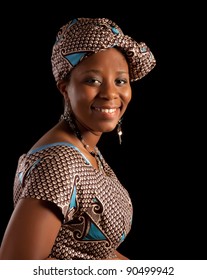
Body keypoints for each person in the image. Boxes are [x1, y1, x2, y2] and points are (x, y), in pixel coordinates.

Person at [0, 17, 156, 260]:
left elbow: (92, 253)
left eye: (120, 81)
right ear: (65, 88)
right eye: (92, 80)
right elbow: (18, 267)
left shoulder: (85, 148)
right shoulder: (59, 162)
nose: (110, 94)